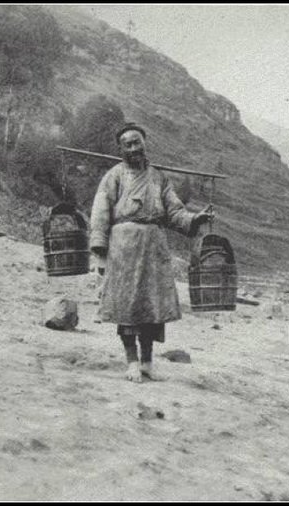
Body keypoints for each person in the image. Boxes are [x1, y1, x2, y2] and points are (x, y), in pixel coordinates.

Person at [90, 122, 213, 382]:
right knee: (127, 306)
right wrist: (99, 251)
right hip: (124, 248)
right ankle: (132, 363)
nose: (134, 148)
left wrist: (195, 219)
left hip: (154, 248)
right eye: (128, 144)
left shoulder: (159, 178)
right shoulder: (114, 176)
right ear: (121, 149)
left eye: (137, 142)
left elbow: (174, 212)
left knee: (151, 307)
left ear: (145, 143)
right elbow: (100, 212)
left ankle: (147, 363)